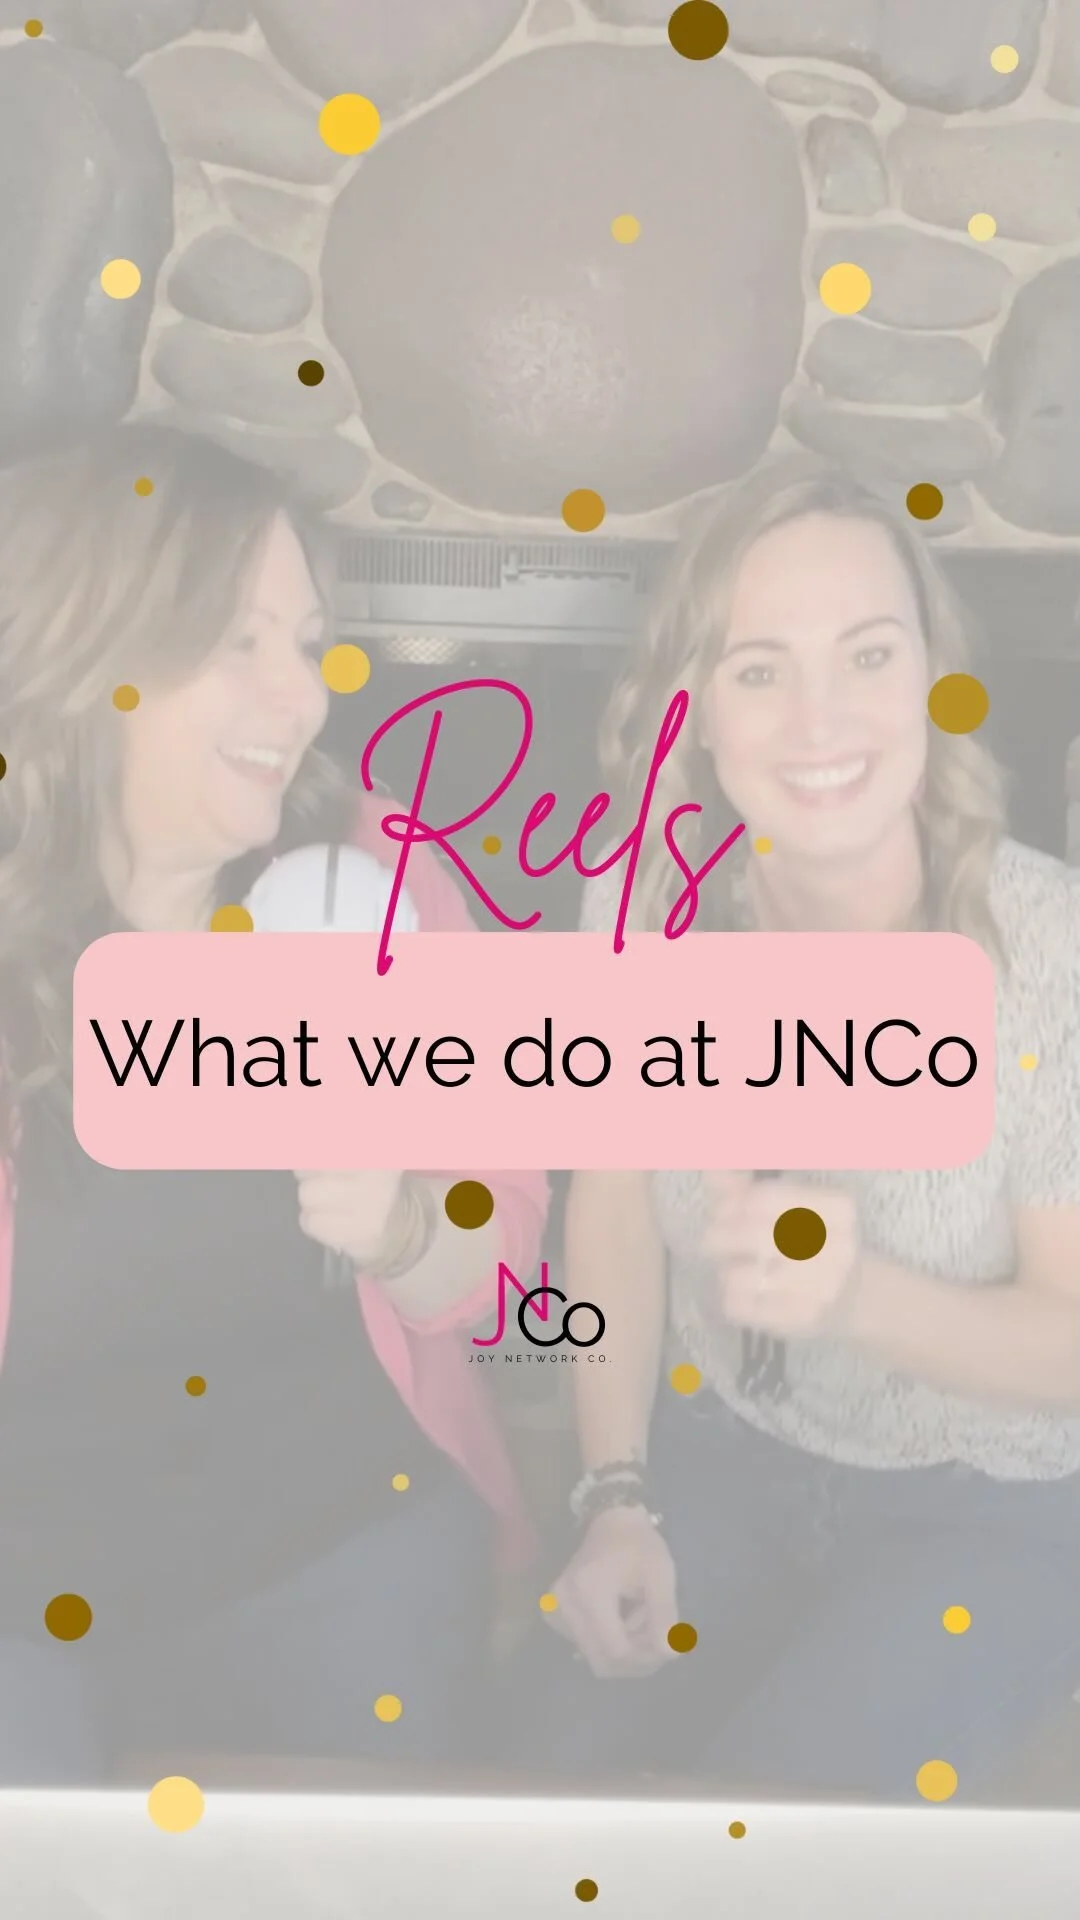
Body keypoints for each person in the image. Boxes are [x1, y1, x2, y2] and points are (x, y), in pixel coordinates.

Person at [515, 459, 1080, 1805]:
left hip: (987, 1509)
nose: (820, 720)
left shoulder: (1046, 952)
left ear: (933, 679)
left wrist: (856, 1295)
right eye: (759, 669)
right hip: (722, 1459)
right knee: (540, 1781)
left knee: (760, 1833)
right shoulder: (642, 898)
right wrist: (614, 1496)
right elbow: (611, 1203)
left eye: (868, 655)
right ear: (696, 711)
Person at [0, 423, 547, 1785]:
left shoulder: (374, 882)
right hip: (23, 1593)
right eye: (236, 640)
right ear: (87, 653)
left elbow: (503, 1268)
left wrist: (407, 1230)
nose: (300, 696)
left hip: (337, 1545)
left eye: (307, 645)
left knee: (374, 1870)